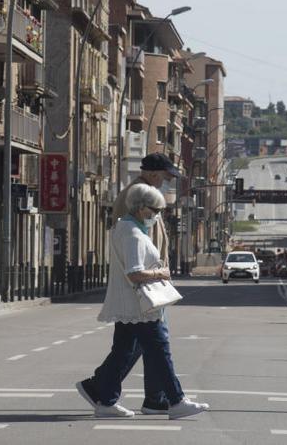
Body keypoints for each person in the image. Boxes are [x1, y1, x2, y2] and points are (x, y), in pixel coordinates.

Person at [76, 184, 208, 419]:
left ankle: (101, 395)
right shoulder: (133, 234)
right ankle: (176, 401)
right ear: (140, 208)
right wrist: (161, 273)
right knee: (160, 350)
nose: (157, 215)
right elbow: (134, 273)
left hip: (132, 304)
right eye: (154, 210)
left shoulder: (127, 227)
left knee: (123, 352)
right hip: (141, 304)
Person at [77, 153, 180, 414]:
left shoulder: (141, 192)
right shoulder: (137, 196)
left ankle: (114, 391)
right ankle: (111, 390)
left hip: (148, 284)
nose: (167, 183)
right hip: (142, 285)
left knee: (134, 346)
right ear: (155, 174)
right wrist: (154, 275)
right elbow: (132, 241)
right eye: (166, 177)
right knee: (151, 344)